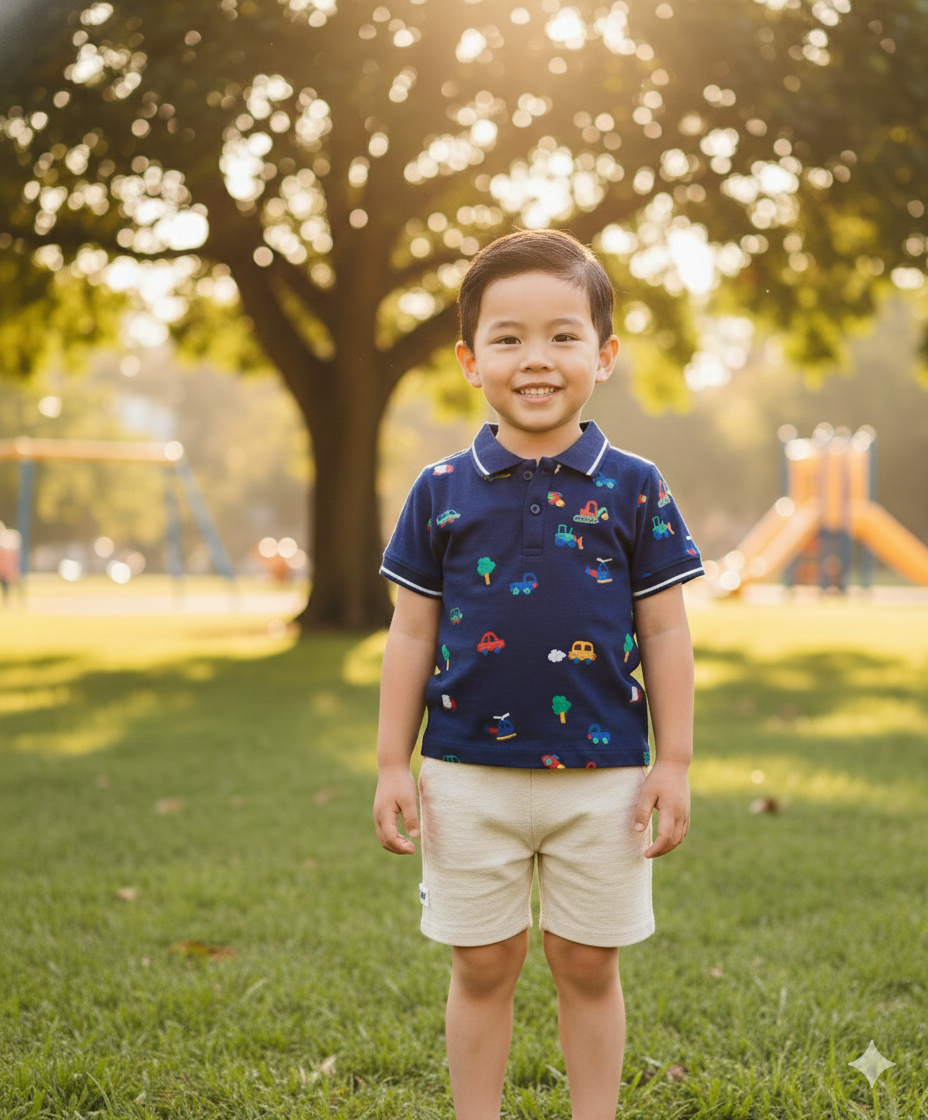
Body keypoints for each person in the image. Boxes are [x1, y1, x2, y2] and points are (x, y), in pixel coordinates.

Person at [373, 229, 703, 1120]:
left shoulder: (635, 486)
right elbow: (409, 635)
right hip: (462, 774)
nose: (536, 359)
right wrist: (391, 764)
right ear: (469, 360)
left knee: (587, 961)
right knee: (483, 962)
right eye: (507, 338)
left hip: (603, 778)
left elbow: (667, 633)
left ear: (605, 354)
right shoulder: (440, 489)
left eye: (563, 335)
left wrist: (673, 762)